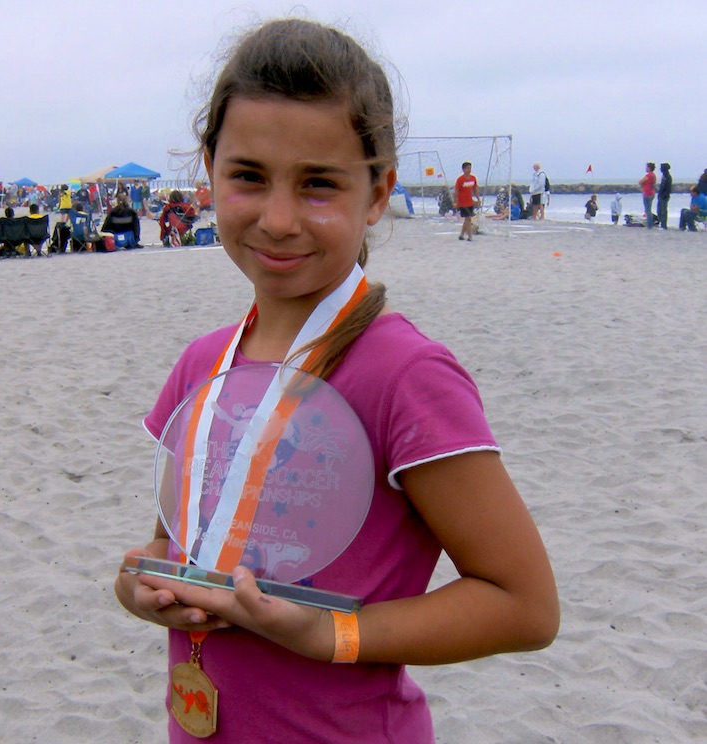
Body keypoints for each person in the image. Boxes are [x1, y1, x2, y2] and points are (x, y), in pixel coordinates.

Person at [114, 18, 559, 744]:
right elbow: (169, 549)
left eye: (319, 185)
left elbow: (526, 606)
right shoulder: (202, 366)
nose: (279, 218)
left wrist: (333, 635)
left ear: (378, 192)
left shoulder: (405, 375)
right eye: (248, 176)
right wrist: (141, 587)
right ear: (209, 168)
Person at [454, 161, 481, 241]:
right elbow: (456, 191)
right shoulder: (460, 179)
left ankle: (461, 235)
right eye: (468, 168)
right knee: (468, 218)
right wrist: (456, 201)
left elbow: (475, 189)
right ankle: (470, 236)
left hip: (470, 202)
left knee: (467, 219)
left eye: (470, 168)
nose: (469, 170)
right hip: (462, 202)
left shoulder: (473, 178)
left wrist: (478, 199)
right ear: (464, 169)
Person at [638, 162, 657, 229]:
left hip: (647, 193)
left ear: (649, 168)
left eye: (647, 167)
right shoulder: (654, 175)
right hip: (651, 193)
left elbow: (640, 181)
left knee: (648, 210)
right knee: (649, 209)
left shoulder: (649, 175)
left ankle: (649, 225)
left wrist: (642, 187)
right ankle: (650, 224)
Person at [657, 163, 672, 229]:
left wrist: (663, 195)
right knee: (659, 210)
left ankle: (664, 225)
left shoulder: (668, 177)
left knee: (663, 211)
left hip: (664, 196)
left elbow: (668, 188)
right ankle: (661, 223)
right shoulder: (664, 176)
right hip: (661, 196)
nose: (660, 169)